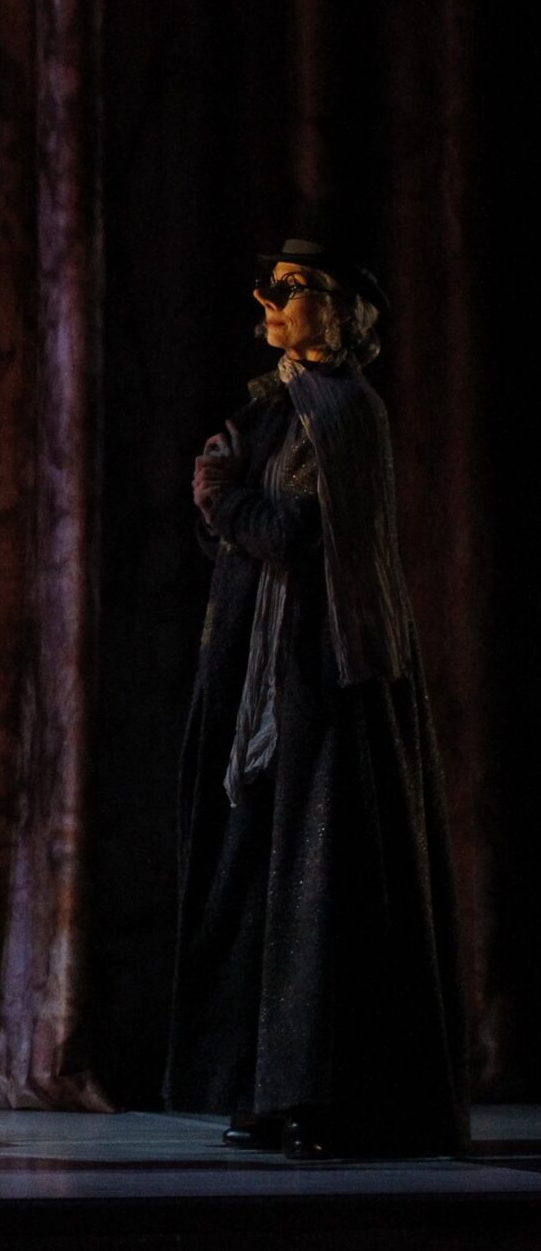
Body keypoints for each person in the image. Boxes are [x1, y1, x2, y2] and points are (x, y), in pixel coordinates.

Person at [164, 238, 466, 1160]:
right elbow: (247, 504)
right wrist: (231, 490)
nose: (272, 302)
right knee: (261, 881)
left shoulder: (347, 413)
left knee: (324, 890)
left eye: (294, 290)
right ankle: (267, 1089)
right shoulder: (272, 408)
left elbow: (295, 530)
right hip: (266, 677)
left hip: (330, 678)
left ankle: (333, 1098)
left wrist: (221, 497)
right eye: (271, 289)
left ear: (338, 311)